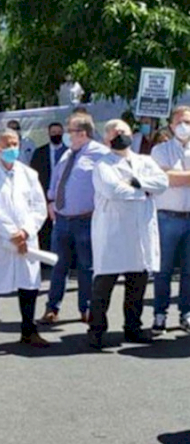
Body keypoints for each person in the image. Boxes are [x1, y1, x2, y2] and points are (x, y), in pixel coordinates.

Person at [88, 120, 168, 348]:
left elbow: (162, 183)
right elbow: (113, 190)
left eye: (123, 131)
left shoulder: (145, 161)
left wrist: (136, 183)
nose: (120, 135)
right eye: (115, 133)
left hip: (140, 231)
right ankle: (96, 330)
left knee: (137, 284)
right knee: (104, 285)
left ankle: (132, 327)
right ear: (107, 139)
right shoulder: (103, 164)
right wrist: (145, 191)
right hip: (113, 231)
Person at [0, 130, 49, 352]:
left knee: (29, 286)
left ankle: (29, 330)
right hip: (0, 239)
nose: (12, 148)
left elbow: (39, 206)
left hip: (26, 239)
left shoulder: (29, 174)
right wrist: (12, 233)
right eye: (7, 144)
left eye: (15, 144)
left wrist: (26, 231)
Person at [41, 112, 109, 324]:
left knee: (85, 265)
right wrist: (51, 201)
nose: (67, 135)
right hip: (61, 219)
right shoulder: (69, 153)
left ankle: (86, 308)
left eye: (70, 130)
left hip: (85, 219)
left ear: (82, 132)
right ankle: (52, 308)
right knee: (58, 265)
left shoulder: (101, 154)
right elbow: (57, 178)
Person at [151, 106, 190, 334]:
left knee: (188, 271)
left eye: (188, 121)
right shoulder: (160, 150)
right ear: (171, 125)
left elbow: (176, 177)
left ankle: (186, 313)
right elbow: (166, 178)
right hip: (167, 217)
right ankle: (159, 314)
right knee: (163, 270)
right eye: (180, 121)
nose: (184, 126)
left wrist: (179, 177)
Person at [30, 123, 68, 254]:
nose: (56, 135)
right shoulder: (40, 152)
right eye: (53, 132)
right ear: (48, 134)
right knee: (45, 229)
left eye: (58, 132)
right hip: (45, 194)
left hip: (66, 196)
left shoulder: (70, 153)